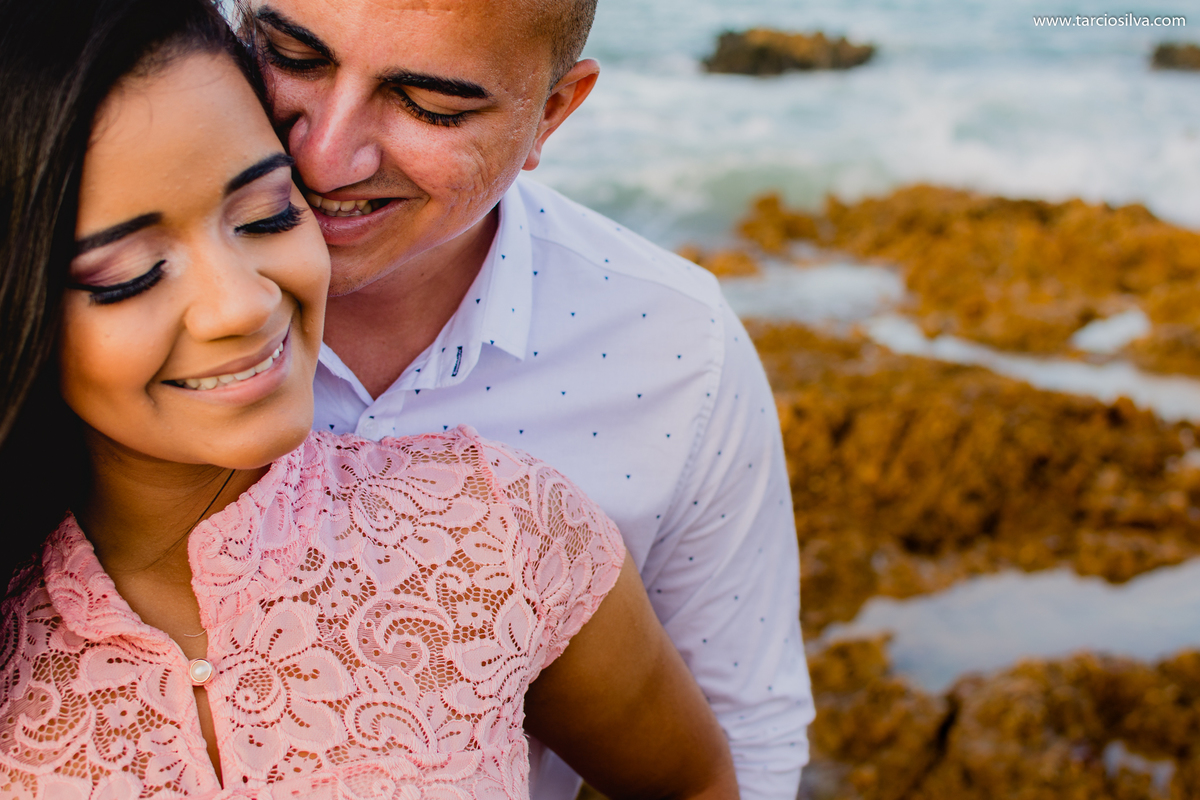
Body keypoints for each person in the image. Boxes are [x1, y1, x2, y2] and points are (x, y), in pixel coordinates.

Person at [0, 0, 739, 797]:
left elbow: (705, 770)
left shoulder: (501, 534)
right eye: (129, 275)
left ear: (552, 114)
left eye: (269, 214)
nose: (244, 306)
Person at [237, 1, 815, 797]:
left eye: (430, 105)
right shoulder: (66, 277)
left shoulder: (678, 351)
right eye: (291, 55)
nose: (325, 157)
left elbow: (743, 736)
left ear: (553, 112)